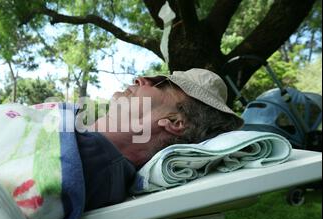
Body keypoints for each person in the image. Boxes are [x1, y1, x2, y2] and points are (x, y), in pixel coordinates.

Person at [75, 68, 244, 211]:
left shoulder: (85, 161)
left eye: (160, 85)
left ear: (174, 122)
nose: (140, 79)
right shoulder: (80, 143)